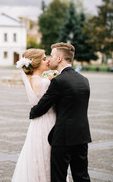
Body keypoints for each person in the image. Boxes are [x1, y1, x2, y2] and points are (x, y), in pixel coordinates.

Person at [30, 42, 92, 182]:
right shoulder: (84, 80)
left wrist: (31, 112)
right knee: (81, 176)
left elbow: (42, 107)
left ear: (59, 59)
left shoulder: (59, 81)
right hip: (82, 136)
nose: (49, 59)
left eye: (51, 56)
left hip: (63, 137)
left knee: (58, 177)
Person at [11, 48, 57, 182]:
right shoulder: (43, 82)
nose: (47, 60)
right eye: (44, 58)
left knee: (38, 158)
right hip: (47, 123)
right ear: (36, 62)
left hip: (37, 125)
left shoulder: (35, 80)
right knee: (47, 158)